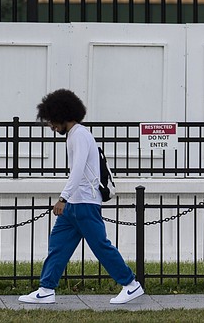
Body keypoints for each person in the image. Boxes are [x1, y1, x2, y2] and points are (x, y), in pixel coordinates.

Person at [19, 88, 145, 306]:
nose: (50, 126)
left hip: (84, 203)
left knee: (100, 246)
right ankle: (46, 289)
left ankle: (131, 284)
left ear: (62, 114)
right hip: (75, 205)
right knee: (58, 245)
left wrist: (63, 198)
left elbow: (77, 170)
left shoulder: (79, 135)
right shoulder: (75, 135)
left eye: (51, 121)